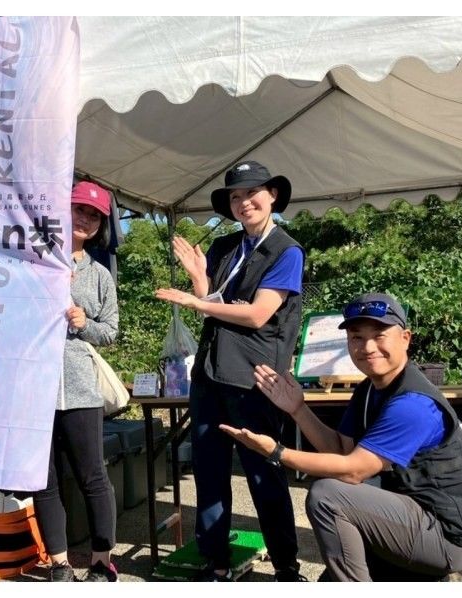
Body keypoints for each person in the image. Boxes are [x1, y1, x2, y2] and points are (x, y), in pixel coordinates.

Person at [223, 292, 462, 581]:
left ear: (406, 338)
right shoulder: (369, 389)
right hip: (409, 515)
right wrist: (298, 409)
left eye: (379, 335)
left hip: (444, 536)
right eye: (357, 337)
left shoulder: (414, 404)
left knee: (327, 495)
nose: (368, 347)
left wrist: (277, 452)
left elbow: (354, 471)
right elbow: (340, 450)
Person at [155, 161, 305, 581]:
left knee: (263, 474)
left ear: (273, 195)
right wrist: (199, 280)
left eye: (252, 192)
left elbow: (258, 314)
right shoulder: (224, 248)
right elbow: (217, 304)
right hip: (210, 376)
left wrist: (196, 302)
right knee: (209, 471)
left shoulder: (286, 250)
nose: (244, 202)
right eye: (236, 197)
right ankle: (215, 560)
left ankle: (286, 566)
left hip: (256, 380)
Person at [33, 181, 119, 582]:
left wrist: (86, 324)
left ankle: (101, 560)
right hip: (34, 387)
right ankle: (59, 562)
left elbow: (111, 331)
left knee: (92, 476)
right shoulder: (34, 260)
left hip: (81, 388)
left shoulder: (100, 274)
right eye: (79, 210)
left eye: (94, 215)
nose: (85, 219)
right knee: (43, 478)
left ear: (101, 225)